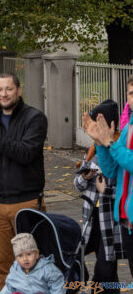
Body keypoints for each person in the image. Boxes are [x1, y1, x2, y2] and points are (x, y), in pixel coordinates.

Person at [0, 72, 48, 290]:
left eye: (9, 89)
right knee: (3, 266)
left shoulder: (35, 118)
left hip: (27, 203)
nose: (4, 94)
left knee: (32, 265)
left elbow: (25, 154)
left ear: (19, 91)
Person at [83, 75, 133, 276]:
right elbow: (112, 169)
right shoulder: (128, 127)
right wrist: (100, 143)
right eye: (131, 93)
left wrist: (110, 144)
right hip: (127, 219)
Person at [75, 100, 126, 294]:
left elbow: (124, 188)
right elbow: (77, 185)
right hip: (91, 220)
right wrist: (84, 176)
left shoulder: (118, 148)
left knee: (104, 270)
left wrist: (106, 191)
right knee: (107, 273)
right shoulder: (92, 150)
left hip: (111, 222)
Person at [0, 233, 65, 294]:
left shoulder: (48, 269)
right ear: (16, 258)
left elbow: (58, 288)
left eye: (29, 254)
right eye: (20, 256)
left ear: (37, 254)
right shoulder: (15, 269)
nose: (25, 259)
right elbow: (9, 287)